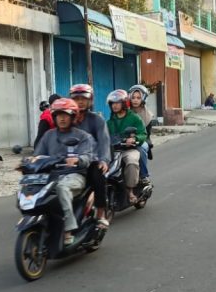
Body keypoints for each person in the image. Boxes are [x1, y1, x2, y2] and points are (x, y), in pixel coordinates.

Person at [31, 98, 96, 246]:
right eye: (58, 114)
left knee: (62, 188)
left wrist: (77, 160)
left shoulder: (82, 136)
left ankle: (69, 230)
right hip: (52, 175)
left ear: (73, 116)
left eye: (65, 114)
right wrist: (28, 163)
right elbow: (38, 155)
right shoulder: (48, 136)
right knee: (33, 187)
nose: (61, 118)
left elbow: (88, 156)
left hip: (74, 176)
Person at [69, 84, 111, 228]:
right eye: (76, 98)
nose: (80, 102)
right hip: (69, 161)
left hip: (92, 160)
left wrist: (104, 160)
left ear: (90, 100)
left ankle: (100, 213)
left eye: (83, 99)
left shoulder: (97, 120)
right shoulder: (66, 118)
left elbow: (104, 142)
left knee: (98, 175)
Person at [105, 89, 147, 203]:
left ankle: (131, 191)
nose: (114, 105)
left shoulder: (134, 118)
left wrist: (134, 139)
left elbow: (143, 133)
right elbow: (104, 137)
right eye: (112, 103)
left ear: (124, 103)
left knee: (132, 161)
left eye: (117, 103)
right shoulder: (109, 122)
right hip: (113, 151)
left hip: (129, 149)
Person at [128, 84, 153, 180]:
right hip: (125, 139)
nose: (135, 100)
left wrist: (136, 139)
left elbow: (146, 135)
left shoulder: (148, 116)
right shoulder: (125, 112)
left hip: (142, 140)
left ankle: (144, 176)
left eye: (138, 98)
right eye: (133, 97)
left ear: (143, 98)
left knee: (141, 148)